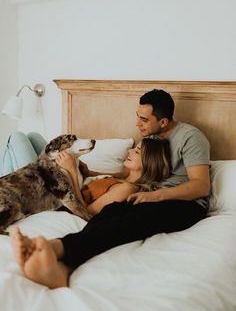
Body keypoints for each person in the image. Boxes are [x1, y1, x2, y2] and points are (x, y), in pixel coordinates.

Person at [10, 89, 210, 289]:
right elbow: (133, 174)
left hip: (185, 204)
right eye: (137, 116)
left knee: (130, 222)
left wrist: (155, 196)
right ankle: (63, 264)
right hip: (148, 195)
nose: (137, 124)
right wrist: (91, 173)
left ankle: (57, 250)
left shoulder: (190, 138)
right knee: (110, 211)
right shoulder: (154, 137)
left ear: (163, 122)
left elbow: (201, 185)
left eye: (143, 119)